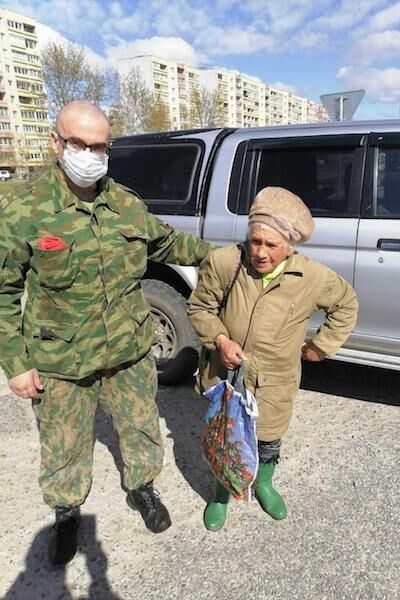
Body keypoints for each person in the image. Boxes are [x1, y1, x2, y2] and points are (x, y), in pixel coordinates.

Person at [0, 100, 214, 565]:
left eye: (100, 146)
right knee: (64, 440)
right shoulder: (22, 208)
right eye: (79, 143)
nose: (91, 155)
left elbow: (169, 243)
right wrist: (16, 364)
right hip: (62, 357)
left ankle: (142, 488)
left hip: (128, 347)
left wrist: (223, 255)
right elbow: (3, 292)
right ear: (56, 143)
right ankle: (66, 511)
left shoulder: (126, 204)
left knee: (140, 425)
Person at [187, 186, 358, 531]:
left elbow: (346, 304)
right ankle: (220, 494)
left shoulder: (311, 277)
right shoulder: (225, 262)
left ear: (290, 246)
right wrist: (221, 340)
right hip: (227, 377)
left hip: (275, 379)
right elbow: (199, 307)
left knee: (268, 438)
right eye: (255, 241)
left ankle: (264, 484)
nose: (261, 252)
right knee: (224, 439)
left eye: (272, 244)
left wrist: (320, 346)